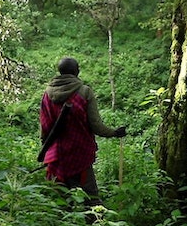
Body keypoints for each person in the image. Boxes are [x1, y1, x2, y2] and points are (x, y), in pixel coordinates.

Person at [39, 57, 126, 206]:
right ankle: (95, 224)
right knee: (90, 198)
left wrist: (46, 149)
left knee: (60, 202)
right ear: (76, 71)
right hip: (80, 154)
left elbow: (45, 127)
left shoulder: (47, 94)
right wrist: (114, 132)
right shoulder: (84, 92)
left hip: (56, 156)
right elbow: (96, 125)